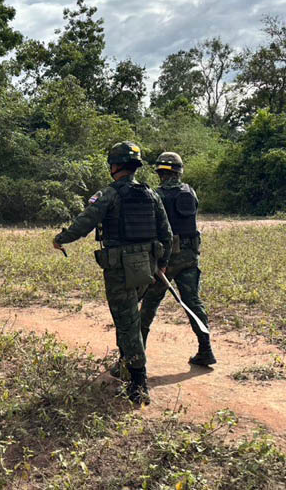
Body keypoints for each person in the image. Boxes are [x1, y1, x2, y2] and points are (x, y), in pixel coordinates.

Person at [52, 142, 172, 405]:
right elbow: (167, 234)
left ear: (115, 166)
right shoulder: (152, 194)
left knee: (127, 322)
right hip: (147, 268)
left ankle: (139, 384)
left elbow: (85, 222)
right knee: (128, 319)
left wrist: (61, 238)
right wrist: (161, 264)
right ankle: (125, 365)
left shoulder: (109, 194)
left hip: (120, 268)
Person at [139, 152, 216, 366]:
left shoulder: (155, 195)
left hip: (165, 258)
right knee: (193, 303)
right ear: (179, 171)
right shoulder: (189, 192)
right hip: (190, 256)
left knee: (149, 305)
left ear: (161, 173)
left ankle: (136, 356)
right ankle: (206, 349)